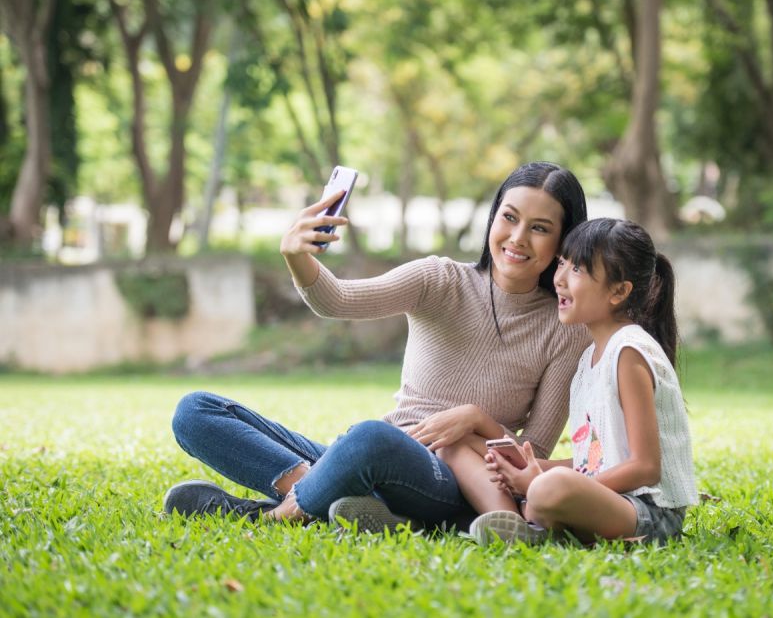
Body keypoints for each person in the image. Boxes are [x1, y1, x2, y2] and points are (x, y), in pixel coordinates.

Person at [163, 162, 590, 531]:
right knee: (196, 411)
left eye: (540, 228)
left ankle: (275, 516)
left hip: (449, 480)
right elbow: (337, 300)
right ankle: (340, 496)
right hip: (368, 457)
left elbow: (534, 452)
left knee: (371, 438)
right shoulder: (439, 279)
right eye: (509, 218)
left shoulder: (565, 328)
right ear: (493, 218)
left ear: (562, 242)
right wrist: (297, 256)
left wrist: (475, 420)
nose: (517, 238)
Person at [470, 218, 697, 545]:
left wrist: (540, 484)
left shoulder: (629, 351)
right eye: (562, 263)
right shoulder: (588, 360)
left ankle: (538, 524)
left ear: (619, 291)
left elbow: (646, 468)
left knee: (550, 489)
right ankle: (535, 526)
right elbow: (594, 462)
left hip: (649, 513)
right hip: (607, 500)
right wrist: (532, 468)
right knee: (511, 469)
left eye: (577, 270)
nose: (559, 279)